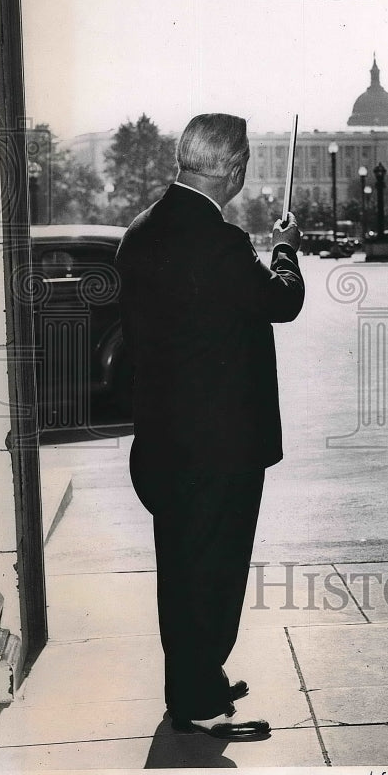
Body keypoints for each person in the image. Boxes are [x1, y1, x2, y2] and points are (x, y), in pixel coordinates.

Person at [116, 113, 304, 739]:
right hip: (221, 447)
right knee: (214, 574)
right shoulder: (218, 241)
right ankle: (196, 698)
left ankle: (198, 678)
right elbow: (281, 301)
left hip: (163, 444)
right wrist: (285, 251)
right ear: (234, 168)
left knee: (182, 569)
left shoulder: (139, 232)